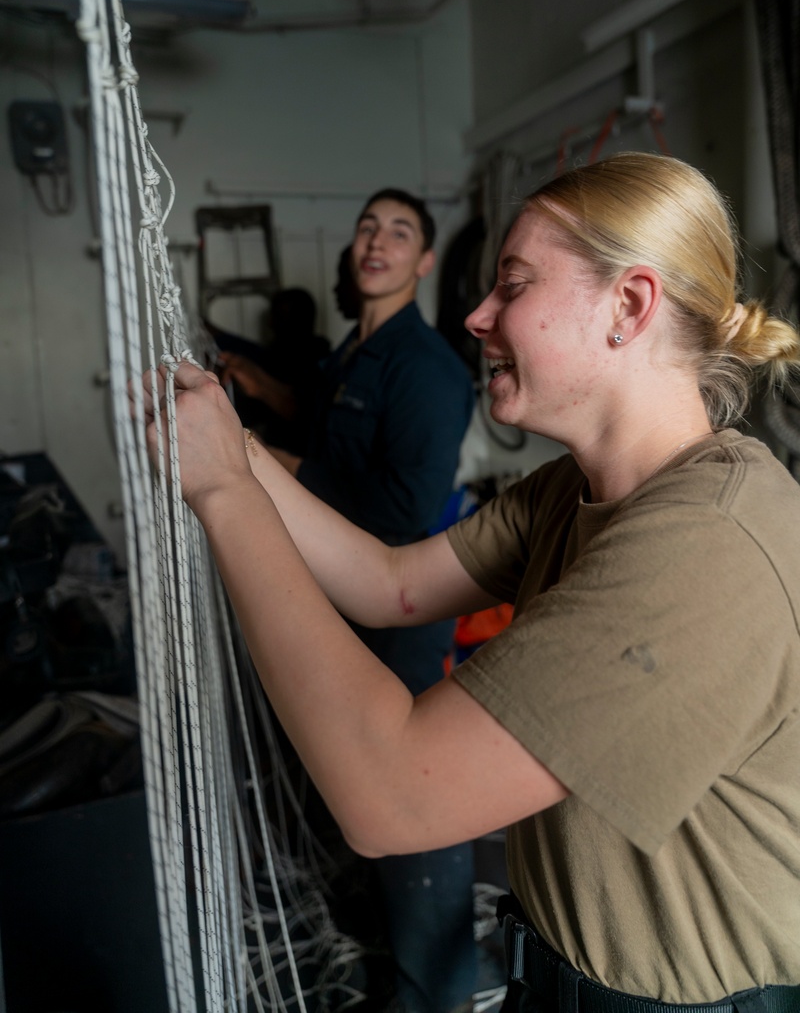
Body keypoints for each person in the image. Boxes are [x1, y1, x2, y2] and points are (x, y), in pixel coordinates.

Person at [139, 152, 800, 1013]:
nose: (479, 313)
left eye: (514, 285)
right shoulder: (576, 487)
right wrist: (238, 448)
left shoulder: (703, 545)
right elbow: (390, 583)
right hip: (555, 977)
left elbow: (388, 798)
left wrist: (223, 489)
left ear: (628, 306)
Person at [265, 189, 478, 1013]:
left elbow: (398, 515)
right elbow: (329, 442)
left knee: (411, 811)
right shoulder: (355, 355)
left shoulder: (425, 369)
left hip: (400, 622)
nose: (376, 242)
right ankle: (390, 969)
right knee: (361, 812)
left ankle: (436, 996)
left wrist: (272, 468)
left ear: (425, 262)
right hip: (340, 613)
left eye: (399, 232)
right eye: (366, 228)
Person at [208, 287, 330, 455]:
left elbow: (306, 414)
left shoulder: (317, 362)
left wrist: (261, 387)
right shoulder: (273, 354)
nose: (272, 323)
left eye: (282, 317)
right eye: (275, 316)